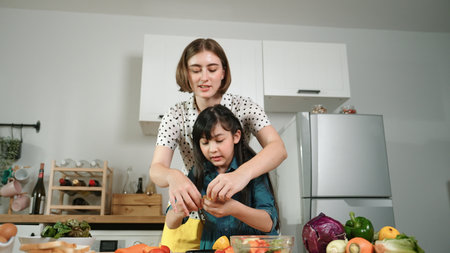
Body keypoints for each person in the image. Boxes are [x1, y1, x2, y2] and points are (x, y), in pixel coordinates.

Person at [150, 38, 286, 251]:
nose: (204, 78)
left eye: (212, 69)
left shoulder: (245, 106)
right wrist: (173, 176)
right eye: (196, 70)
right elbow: (156, 169)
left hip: (238, 217)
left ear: (223, 72)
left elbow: (278, 149)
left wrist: (241, 174)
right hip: (192, 215)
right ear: (186, 73)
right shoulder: (176, 115)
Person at [165, 104, 279, 249]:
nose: (213, 149)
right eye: (205, 143)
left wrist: (233, 208)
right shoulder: (198, 172)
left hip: (253, 248)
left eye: (219, 140)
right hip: (214, 247)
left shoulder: (253, 168)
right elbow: (171, 222)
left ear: (236, 136)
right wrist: (180, 209)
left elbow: (268, 223)